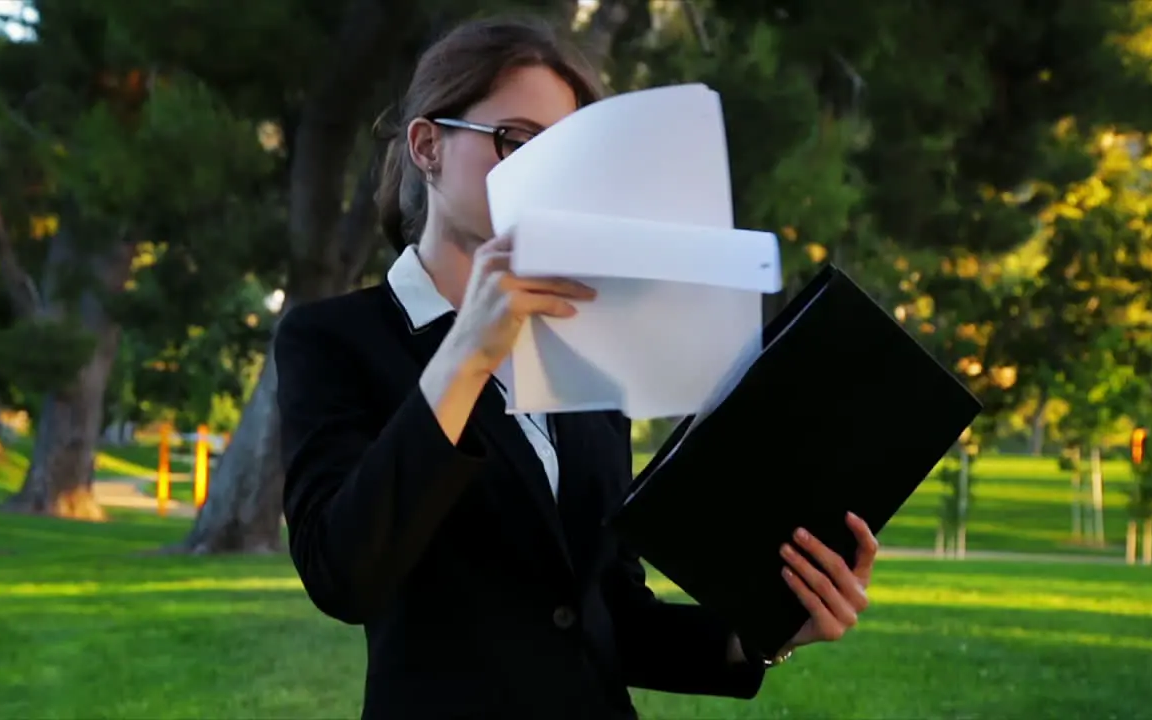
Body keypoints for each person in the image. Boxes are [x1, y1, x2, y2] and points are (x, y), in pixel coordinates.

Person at [275, 15, 881, 720]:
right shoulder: (335, 339)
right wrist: (468, 352)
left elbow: (606, 611)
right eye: (517, 142)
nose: (543, 176)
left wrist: (765, 634)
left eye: (563, 154)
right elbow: (342, 575)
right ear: (427, 145)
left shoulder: (587, 342)